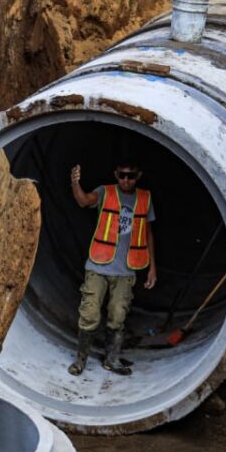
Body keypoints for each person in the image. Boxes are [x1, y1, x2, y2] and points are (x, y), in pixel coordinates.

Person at [69, 161, 158, 376]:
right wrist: (74, 183)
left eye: (131, 176)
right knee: (89, 313)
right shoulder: (105, 191)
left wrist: (152, 267)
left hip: (126, 269)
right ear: (115, 174)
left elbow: (147, 233)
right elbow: (83, 201)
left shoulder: (145, 198)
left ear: (138, 175)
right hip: (99, 265)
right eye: (122, 175)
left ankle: (111, 359)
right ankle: (80, 360)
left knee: (117, 315)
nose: (126, 180)